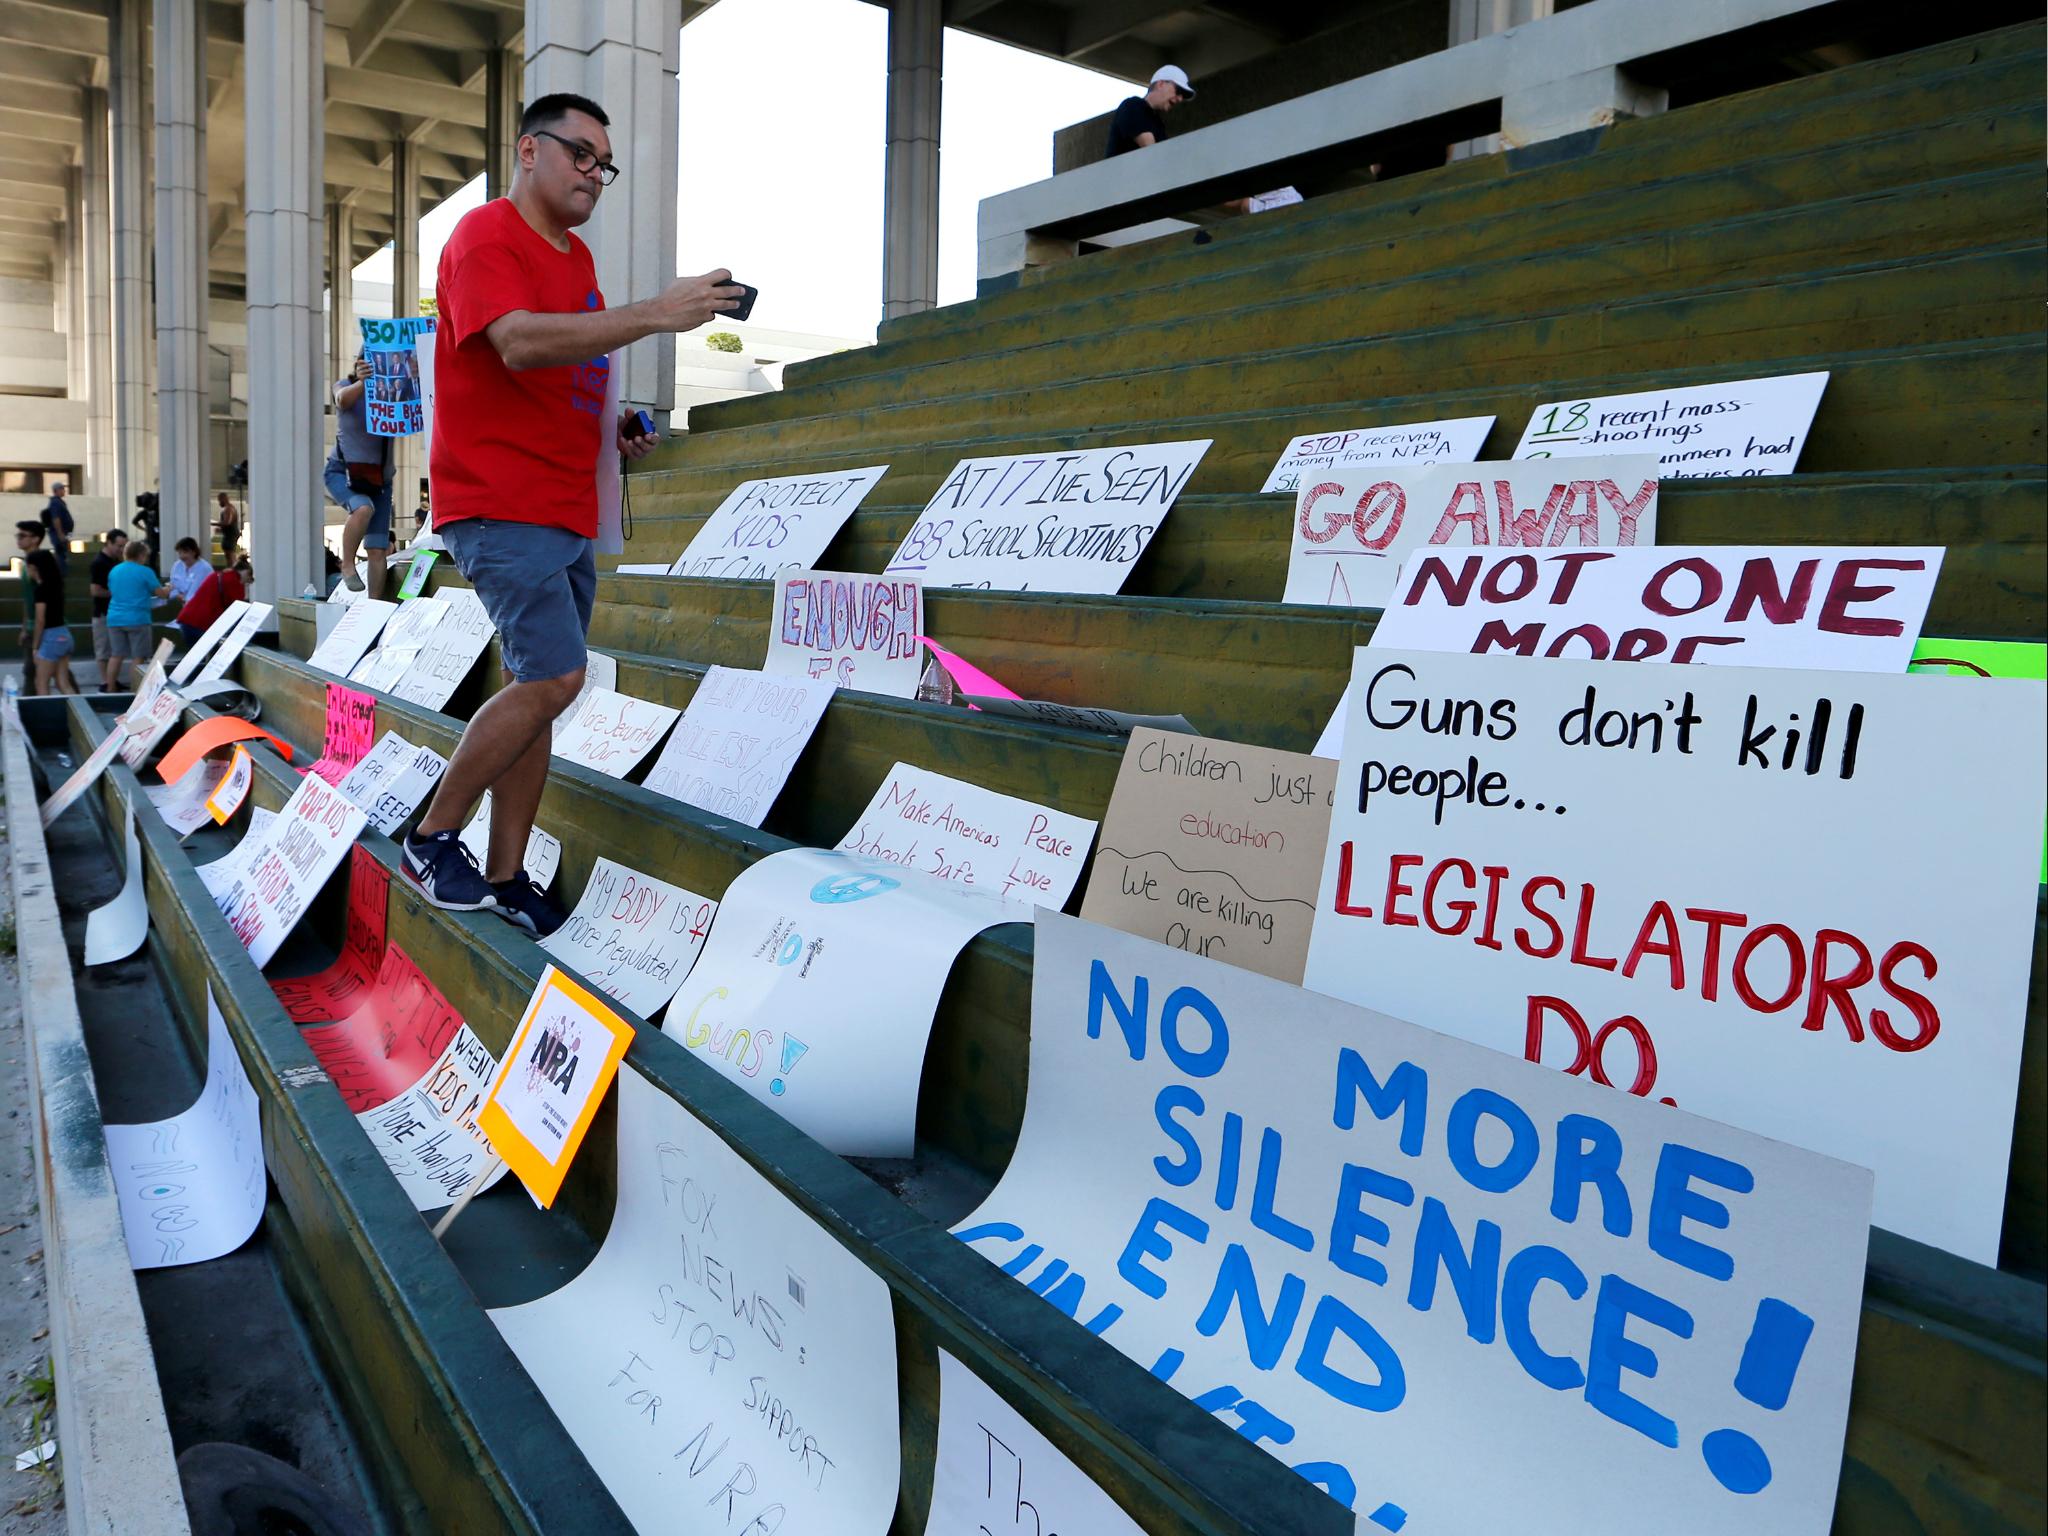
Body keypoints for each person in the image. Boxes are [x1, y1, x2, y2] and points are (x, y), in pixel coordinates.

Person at [400, 90, 741, 935]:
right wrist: (658, 312)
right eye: (580, 153)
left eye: (604, 163)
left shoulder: (578, 260)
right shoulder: (485, 235)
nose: (594, 172)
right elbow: (516, 342)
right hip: (499, 499)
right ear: (527, 150)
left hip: (565, 503)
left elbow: (565, 366)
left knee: (542, 689)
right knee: (555, 678)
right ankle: (432, 836)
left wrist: (614, 423)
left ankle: (508, 874)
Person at [326, 350, 395, 593]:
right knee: (363, 509)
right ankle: (347, 564)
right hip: (343, 472)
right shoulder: (345, 385)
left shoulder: (394, 392)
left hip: (381, 480)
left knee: (378, 548)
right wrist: (363, 383)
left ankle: (374, 606)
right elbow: (341, 399)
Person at [15, 521, 77, 696]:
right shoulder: (41, 570)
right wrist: (24, 626)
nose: (18, 539)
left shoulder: (39, 566)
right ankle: (77, 709)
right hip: (53, 630)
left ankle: (36, 713)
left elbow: (39, 611)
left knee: (39, 678)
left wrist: (35, 640)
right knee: (58, 678)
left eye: (22, 535)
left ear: (35, 539)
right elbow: (28, 600)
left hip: (45, 630)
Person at [104, 539, 167, 684]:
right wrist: (169, 589)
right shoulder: (145, 571)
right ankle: (135, 690)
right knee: (139, 657)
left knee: (116, 655)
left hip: (114, 618)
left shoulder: (115, 570)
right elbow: (161, 594)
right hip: (137, 618)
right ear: (140, 555)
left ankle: (110, 688)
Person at [1106, 65, 1193, 157]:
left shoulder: (1158, 122)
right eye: (1178, 91)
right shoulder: (1132, 105)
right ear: (1161, 84)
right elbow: (1151, 150)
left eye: (1182, 96)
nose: (1180, 98)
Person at [87, 526, 129, 692]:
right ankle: (106, 681)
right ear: (109, 543)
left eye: (123, 546)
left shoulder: (115, 562)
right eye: (119, 546)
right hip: (102, 612)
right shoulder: (99, 563)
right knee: (103, 650)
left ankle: (112, 680)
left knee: (113, 650)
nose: (121, 549)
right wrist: (117, 593)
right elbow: (95, 590)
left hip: (113, 613)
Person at [175, 560, 246, 649]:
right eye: (249, 577)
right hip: (201, 624)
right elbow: (238, 608)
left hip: (187, 621)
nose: (250, 581)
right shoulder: (234, 581)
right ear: (244, 572)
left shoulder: (217, 575)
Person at [167, 536, 210, 608]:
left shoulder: (204, 568)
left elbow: (194, 594)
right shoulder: (177, 565)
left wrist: (183, 598)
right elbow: (172, 586)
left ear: (194, 552)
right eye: (180, 553)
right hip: (182, 607)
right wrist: (176, 594)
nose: (181, 556)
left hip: (201, 607)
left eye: (185, 552)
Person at [40, 481, 73, 571]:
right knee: (60, 552)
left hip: (64, 532)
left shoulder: (60, 502)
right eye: (61, 488)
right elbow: (56, 519)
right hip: (58, 533)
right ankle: (62, 572)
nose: (64, 490)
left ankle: (63, 570)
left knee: (63, 552)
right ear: (56, 490)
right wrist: (60, 534)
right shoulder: (55, 502)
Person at [216, 491, 241, 561]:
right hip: (230, 534)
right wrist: (220, 529)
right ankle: (232, 569)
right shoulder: (230, 508)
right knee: (229, 556)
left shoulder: (228, 509)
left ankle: (233, 570)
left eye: (219, 501)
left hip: (230, 536)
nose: (219, 503)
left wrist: (213, 524)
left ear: (223, 499)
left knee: (231, 557)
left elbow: (227, 522)